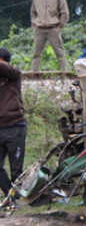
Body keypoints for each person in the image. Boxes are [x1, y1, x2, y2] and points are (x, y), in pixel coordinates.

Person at [0, 48, 26, 201]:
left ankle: (16, 198)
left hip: (15, 126)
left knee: (16, 170)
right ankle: (11, 195)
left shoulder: (14, 76)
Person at [30, 0, 69, 72]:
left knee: (59, 52)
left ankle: (64, 72)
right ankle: (34, 73)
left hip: (53, 28)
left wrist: (61, 25)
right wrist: (34, 22)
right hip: (39, 29)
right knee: (36, 53)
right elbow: (33, 12)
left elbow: (64, 12)